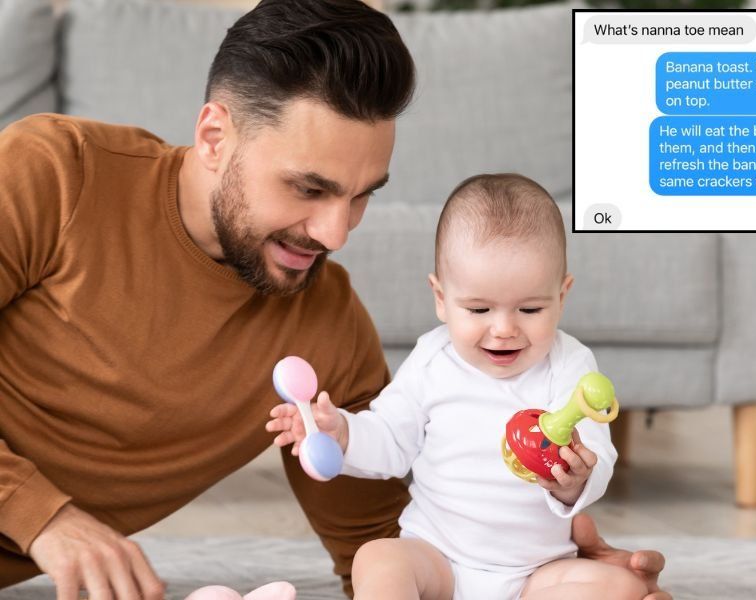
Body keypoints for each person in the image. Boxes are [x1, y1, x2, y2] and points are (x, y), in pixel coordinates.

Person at [0, 0, 670, 599]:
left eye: (362, 195)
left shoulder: (327, 322)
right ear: (214, 138)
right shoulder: (54, 177)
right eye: (309, 188)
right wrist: (48, 519)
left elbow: (382, 540)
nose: (335, 232)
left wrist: (551, 568)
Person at [267, 174, 649, 600]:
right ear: (441, 298)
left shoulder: (571, 365)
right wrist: (342, 433)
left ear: (562, 296)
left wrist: (576, 480)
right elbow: (392, 438)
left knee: (624, 587)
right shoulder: (432, 360)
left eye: (530, 308)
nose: (503, 329)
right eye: (479, 308)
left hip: (536, 572)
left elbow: (597, 450)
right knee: (376, 558)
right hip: (437, 557)